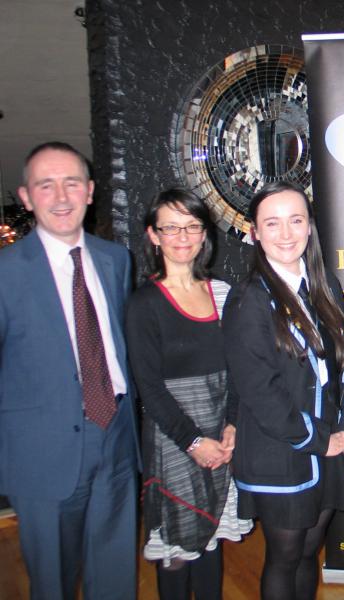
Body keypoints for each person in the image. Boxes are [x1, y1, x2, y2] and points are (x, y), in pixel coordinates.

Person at [0, 142, 139, 599]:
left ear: (91, 190)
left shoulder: (115, 259)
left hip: (116, 438)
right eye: (46, 185)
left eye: (72, 183)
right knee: (53, 583)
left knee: (116, 575)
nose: (61, 197)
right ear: (26, 196)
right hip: (43, 455)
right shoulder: (6, 272)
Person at [222, 181, 344, 600]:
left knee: (308, 552)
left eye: (296, 220)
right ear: (255, 232)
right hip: (280, 452)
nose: (286, 234)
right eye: (273, 223)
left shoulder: (325, 288)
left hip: (329, 449)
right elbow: (260, 393)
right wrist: (326, 440)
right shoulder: (248, 299)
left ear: (309, 227)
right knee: (284, 557)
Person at [126, 188, 252, 599]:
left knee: (211, 538)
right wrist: (193, 441)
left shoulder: (222, 292)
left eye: (192, 226)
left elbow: (236, 371)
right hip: (174, 441)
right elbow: (149, 388)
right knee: (178, 551)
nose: (183, 236)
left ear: (204, 234)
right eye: (171, 227)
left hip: (220, 435)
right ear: (154, 235)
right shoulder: (144, 303)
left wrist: (232, 425)